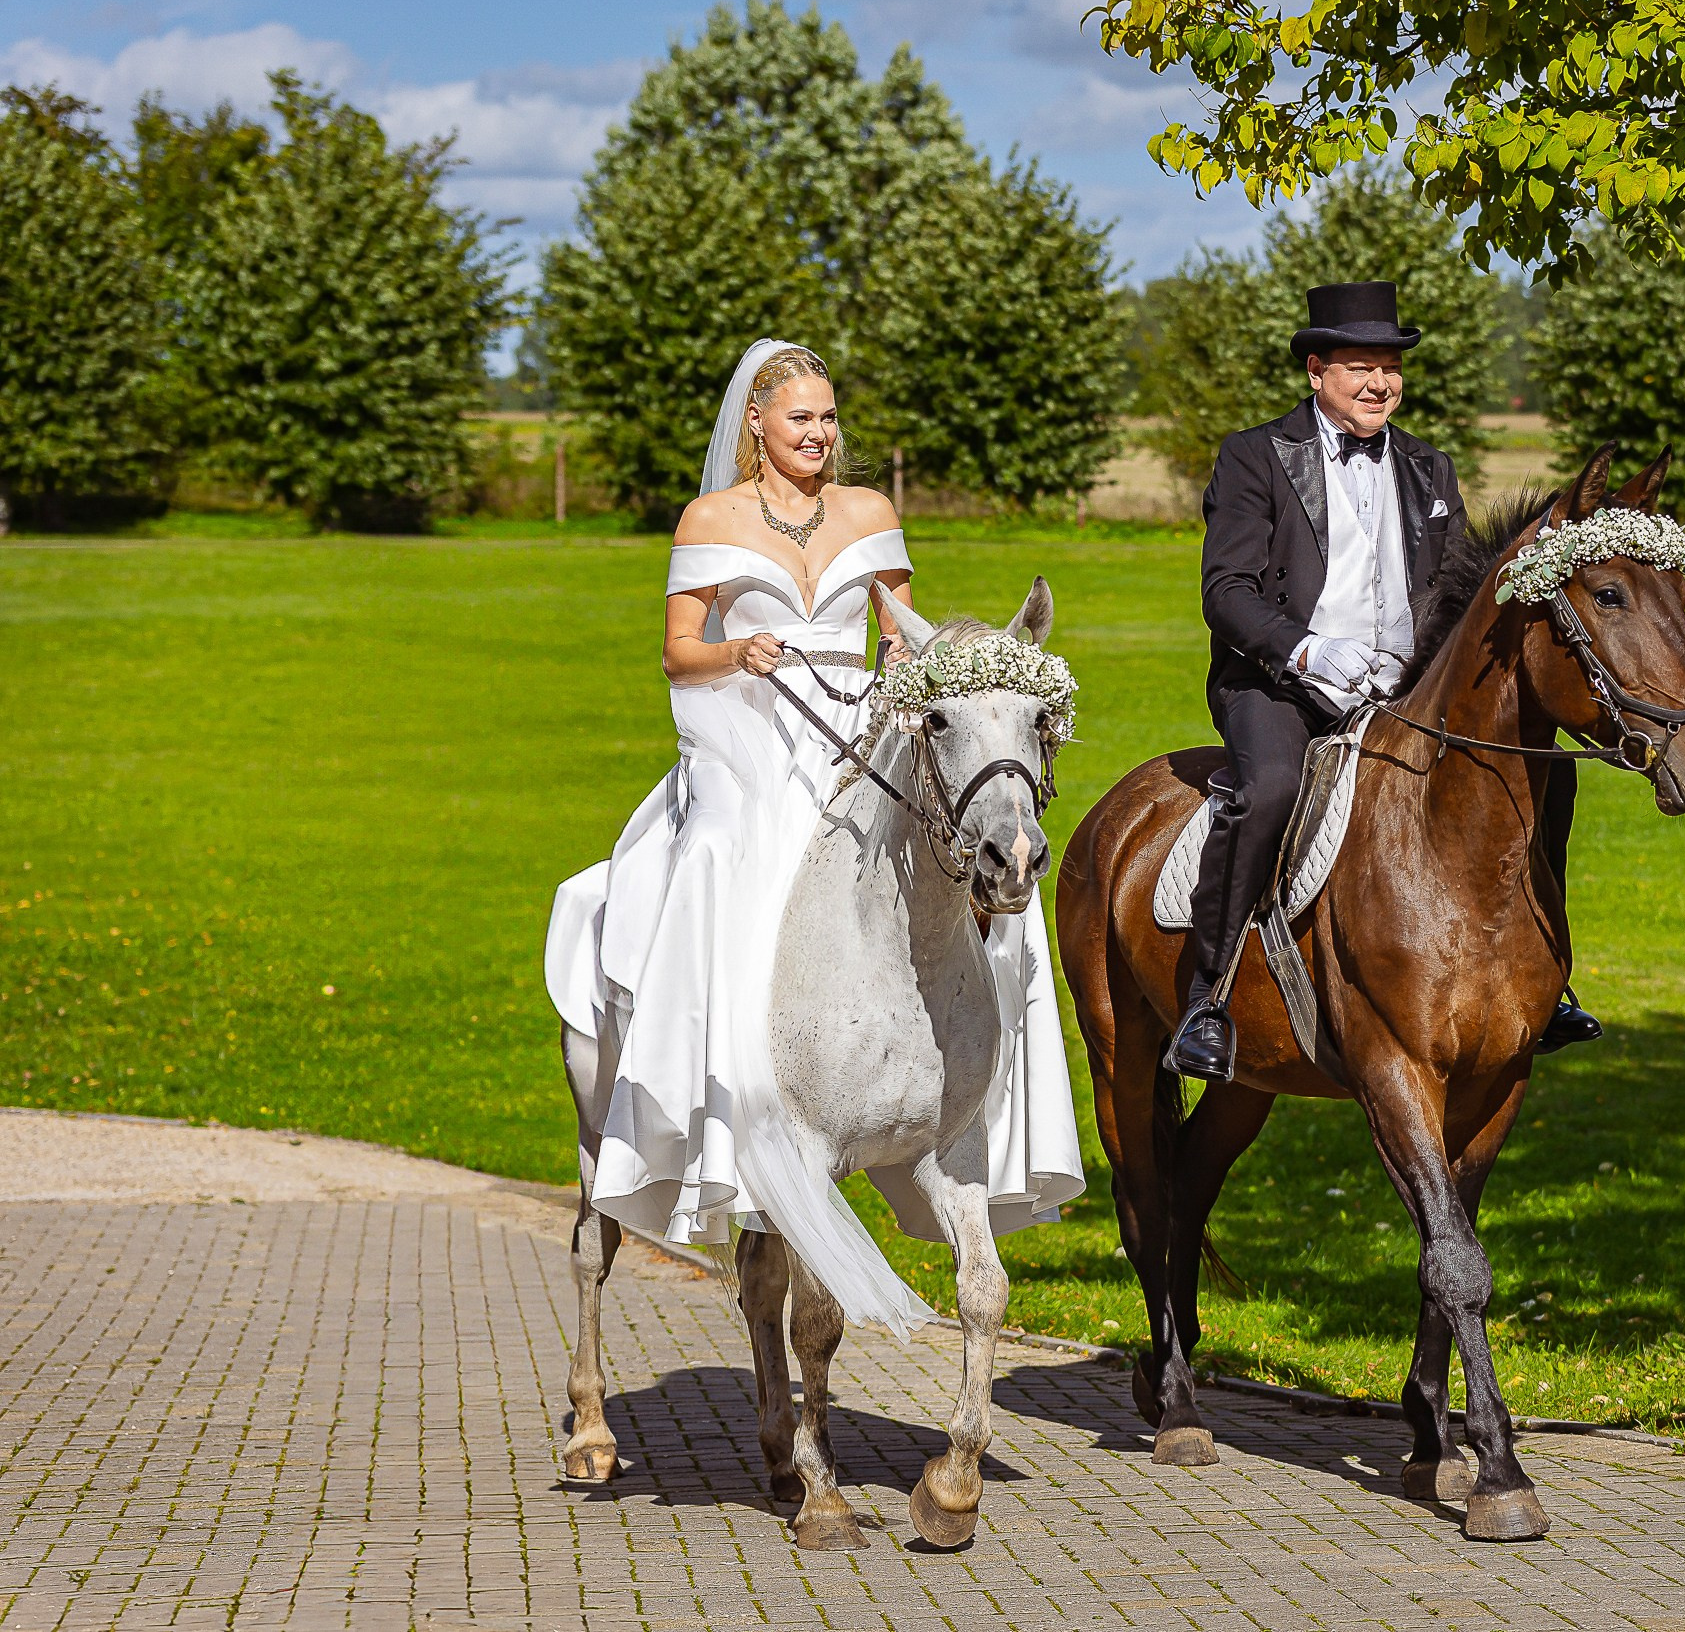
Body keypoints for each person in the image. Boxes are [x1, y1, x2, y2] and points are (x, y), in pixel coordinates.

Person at [544, 338, 1083, 1266]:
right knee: (718, 842)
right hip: (745, 725)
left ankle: (971, 1069)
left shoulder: (870, 512)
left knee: (969, 846)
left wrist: (929, 696)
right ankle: (709, 1075)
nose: (819, 434)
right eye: (801, 418)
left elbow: (900, 640)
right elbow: (679, 651)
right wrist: (734, 653)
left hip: (852, 724)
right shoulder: (709, 517)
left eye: (829, 418)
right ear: (756, 422)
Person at [1165, 283, 1603, 1081]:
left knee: (1549, 772)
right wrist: (1304, 650)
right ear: (1315, 370)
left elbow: (1457, 593)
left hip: (1404, 688)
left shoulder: (1429, 468)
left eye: (1391, 366)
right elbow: (1225, 593)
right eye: (1360, 365)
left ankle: (1549, 979)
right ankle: (1208, 998)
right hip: (1279, 684)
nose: (1380, 382)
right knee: (1266, 788)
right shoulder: (1254, 456)